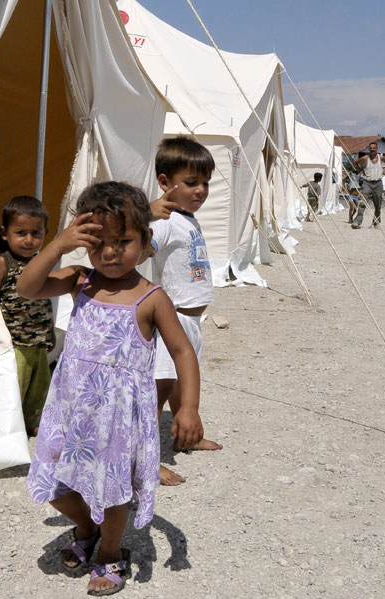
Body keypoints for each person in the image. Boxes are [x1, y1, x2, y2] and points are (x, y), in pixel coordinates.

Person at [21, 181, 204, 596]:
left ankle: (109, 551)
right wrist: (59, 244)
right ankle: (86, 526)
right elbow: (27, 287)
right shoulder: (79, 280)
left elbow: (183, 351)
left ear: (145, 239)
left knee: (113, 493)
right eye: (98, 242)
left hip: (117, 420)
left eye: (123, 242)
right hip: (70, 408)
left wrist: (188, 407)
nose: (110, 252)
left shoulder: (151, 298)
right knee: (54, 483)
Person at [149, 135, 223, 486]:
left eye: (205, 183)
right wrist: (145, 215)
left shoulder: (187, 218)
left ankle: (186, 436)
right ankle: (145, 460)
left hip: (191, 320)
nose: (201, 191)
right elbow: (140, 249)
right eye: (192, 183)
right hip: (173, 319)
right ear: (165, 182)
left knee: (179, 382)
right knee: (158, 391)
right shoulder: (164, 221)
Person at [0, 196, 55, 437]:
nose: (29, 240)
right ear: (5, 233)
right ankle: (9, 427)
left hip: (39, 341)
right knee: (16, 385)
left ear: (45, 234)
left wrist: (50, 330)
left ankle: (31, 423)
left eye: (36, 233)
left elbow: (45, 300)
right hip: (16, 342)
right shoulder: (4, 262)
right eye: (21, 233)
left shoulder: (41, 262)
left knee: (39, 386)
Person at [350, 141, 385, 229]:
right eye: (371, 148)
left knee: (378, 205)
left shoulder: (381, 158)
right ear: (369, 149)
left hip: (378, 183)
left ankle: (376, 223)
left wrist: (384, 169)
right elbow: (355, 163)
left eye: (374, 148)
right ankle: (357, 222)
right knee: (362, 203)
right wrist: (360, 170)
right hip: (367, 183)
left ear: (377, 149)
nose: (372, 150)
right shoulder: (365, 158)